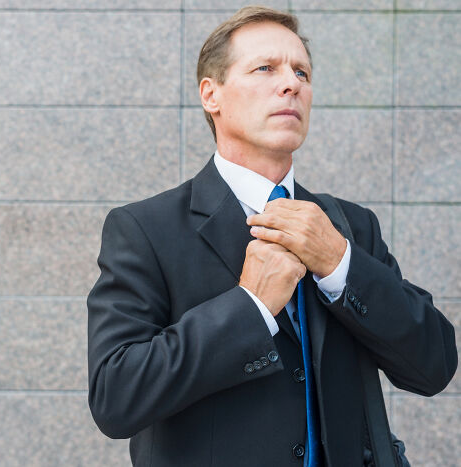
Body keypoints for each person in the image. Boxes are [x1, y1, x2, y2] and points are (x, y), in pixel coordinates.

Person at [87, 6, 457, 466]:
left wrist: (341, 264)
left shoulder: (351, 227)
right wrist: (250, 308)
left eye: (301, 71)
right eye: (265, 68)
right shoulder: (146, 229)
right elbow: (115, 397)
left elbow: (435, 366)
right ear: (211, 95)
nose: (292, 84)